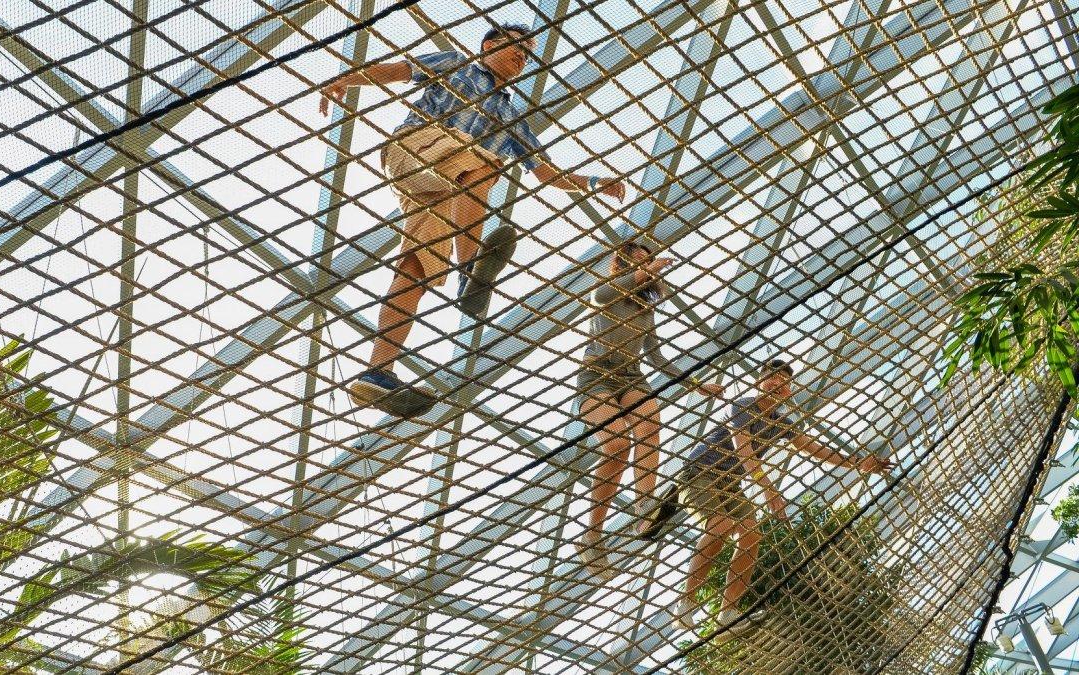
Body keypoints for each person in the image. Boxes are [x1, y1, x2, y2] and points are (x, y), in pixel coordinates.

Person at [319, 23, 627, 417]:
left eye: (528, 53)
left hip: (441, 186)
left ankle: (377, 371)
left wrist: (596, 182)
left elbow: (547, 174)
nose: (522, 56)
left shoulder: (512, 116)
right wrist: (347, 80)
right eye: (517, 46)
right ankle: (470, 275)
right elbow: (398, 70)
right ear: (488, 45)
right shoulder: (457, 64)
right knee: (485, 164)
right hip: (414, 147)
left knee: (417, 268)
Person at [643, 359, 893, 636]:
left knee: (752, 533)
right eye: (772, 378)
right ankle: (686, 604)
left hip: (730, 482)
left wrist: (858, 463)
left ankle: (728, 613)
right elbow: (744, 451)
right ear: (759, 382)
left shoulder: (781, 422)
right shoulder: (742, 406)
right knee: (721, 525)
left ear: (788, 392)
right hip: (701, 472)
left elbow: (814, 448)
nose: (778, 384)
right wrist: (769, 490)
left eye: (785, 383)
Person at [574, 240, 725, 580]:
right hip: (596, 375)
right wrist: (646, 271)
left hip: (631, 377)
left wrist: (698, 386)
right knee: (615, 446)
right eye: (639, 260)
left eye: (649, 259)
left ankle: (645, 505)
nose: (648, 265)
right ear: (623, 265)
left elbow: (658, 359)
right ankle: (591, 537)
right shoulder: (609, 293)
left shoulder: (646, 310)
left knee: (649, 426)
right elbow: (600, 296)